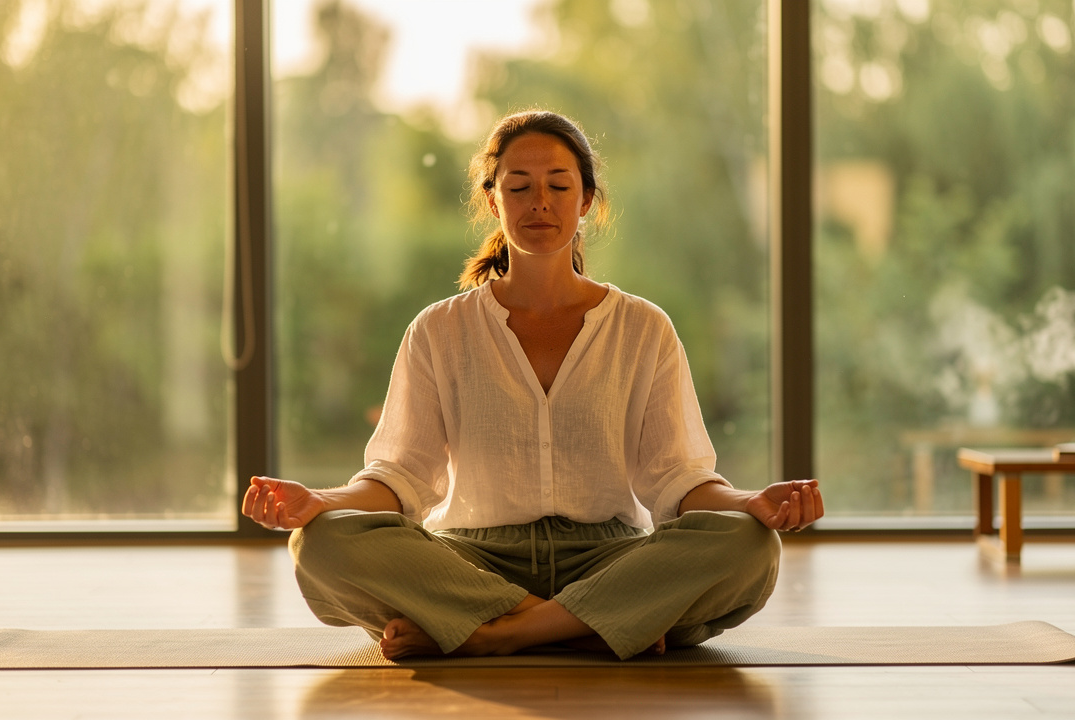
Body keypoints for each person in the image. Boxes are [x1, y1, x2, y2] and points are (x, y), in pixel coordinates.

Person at [242, 109, 824, 661]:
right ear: (492, 199)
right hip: (469, 561)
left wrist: (751, 503)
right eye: (518, 187)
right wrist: (322, 502)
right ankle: (587, 629)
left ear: (587, 201)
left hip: (611, 557)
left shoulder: (644, 328)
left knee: (749, 547)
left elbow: (679, 478)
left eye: (558, 186)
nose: (539, 203)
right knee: (318, 545)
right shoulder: (439, 329)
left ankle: (491, 634)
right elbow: (400, 477)